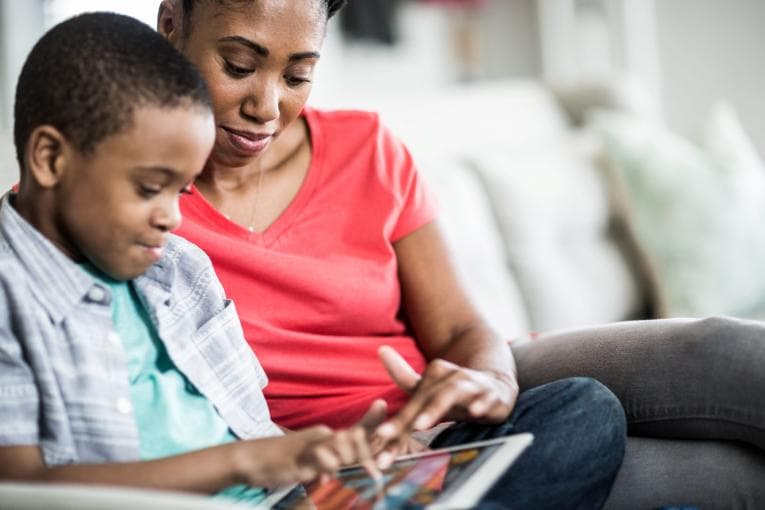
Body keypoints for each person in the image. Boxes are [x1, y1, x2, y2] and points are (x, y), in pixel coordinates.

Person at [156, 0, 765, 507]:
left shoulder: (366, 147)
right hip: (343, 465)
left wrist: (492, 380)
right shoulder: (135, 198)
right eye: (238, 65)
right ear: (170, 26)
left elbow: (459, 327)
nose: (267, 108)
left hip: (455, 393)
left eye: (297, 77)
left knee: (723, 350)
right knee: (724, 476)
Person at [0, 12, 393, 505]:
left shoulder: (180, 268)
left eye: (181, 191)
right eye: (148, 189)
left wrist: (330, 455)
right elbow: (17, 489)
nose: (172, 217)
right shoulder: (10, 298)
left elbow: (252, 428)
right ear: (51, 159)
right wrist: (244, 462)